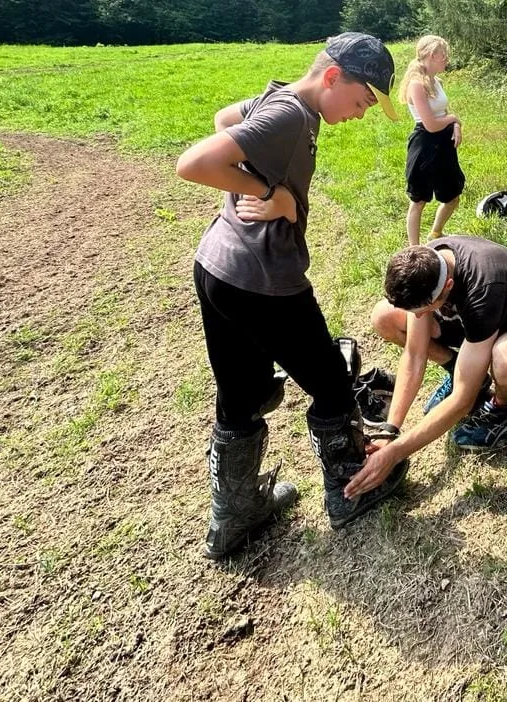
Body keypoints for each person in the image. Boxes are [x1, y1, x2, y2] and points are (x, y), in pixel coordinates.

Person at [175, 32, 409, 560]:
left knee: (240, 388)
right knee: (329, 382)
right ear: (332, 78)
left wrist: (246, 187)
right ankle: (351, 491)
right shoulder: (290, 116)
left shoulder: (278, 98)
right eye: (363, 100)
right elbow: (193, 163)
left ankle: (233, 518)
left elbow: (222, 118)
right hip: (262, 280)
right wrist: (270, 195)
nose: (362, 113)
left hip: (216, 265)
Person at [345, 236, 507, 498]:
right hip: (473, 322)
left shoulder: (484, 289)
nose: (418, 317)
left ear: (448, 286)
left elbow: (462, 401)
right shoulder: (427, 262)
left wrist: (394, 454)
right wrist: (390, 430)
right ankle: (457, 367)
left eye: (423, 310)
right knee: (384, 317)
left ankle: (500, 408)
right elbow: (414, 353)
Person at [401, 35, 466, 245]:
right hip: (425, 145)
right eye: (443, 55)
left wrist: (455, 125)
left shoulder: (436, 81)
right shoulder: (416, 85)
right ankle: (414, 249)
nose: (446, 60)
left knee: (453, 195)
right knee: (418, 201)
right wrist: (454, 119)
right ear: (431, 55)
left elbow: (444, 112)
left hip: (444, 144)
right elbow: (430, 124)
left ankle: (436, 233)